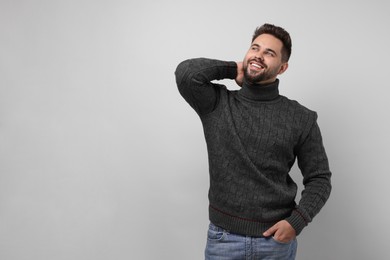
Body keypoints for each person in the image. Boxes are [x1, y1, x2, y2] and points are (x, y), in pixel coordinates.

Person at [175, 23, 332, 260]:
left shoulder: (301, 118)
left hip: (275, 244)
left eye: (269, 53)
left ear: (282, 68)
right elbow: (186, 74)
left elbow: (320, 178)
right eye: (254, 48)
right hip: (223, 240)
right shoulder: (217, 104)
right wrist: (233, 69)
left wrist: (297, 222)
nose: (258, 55)